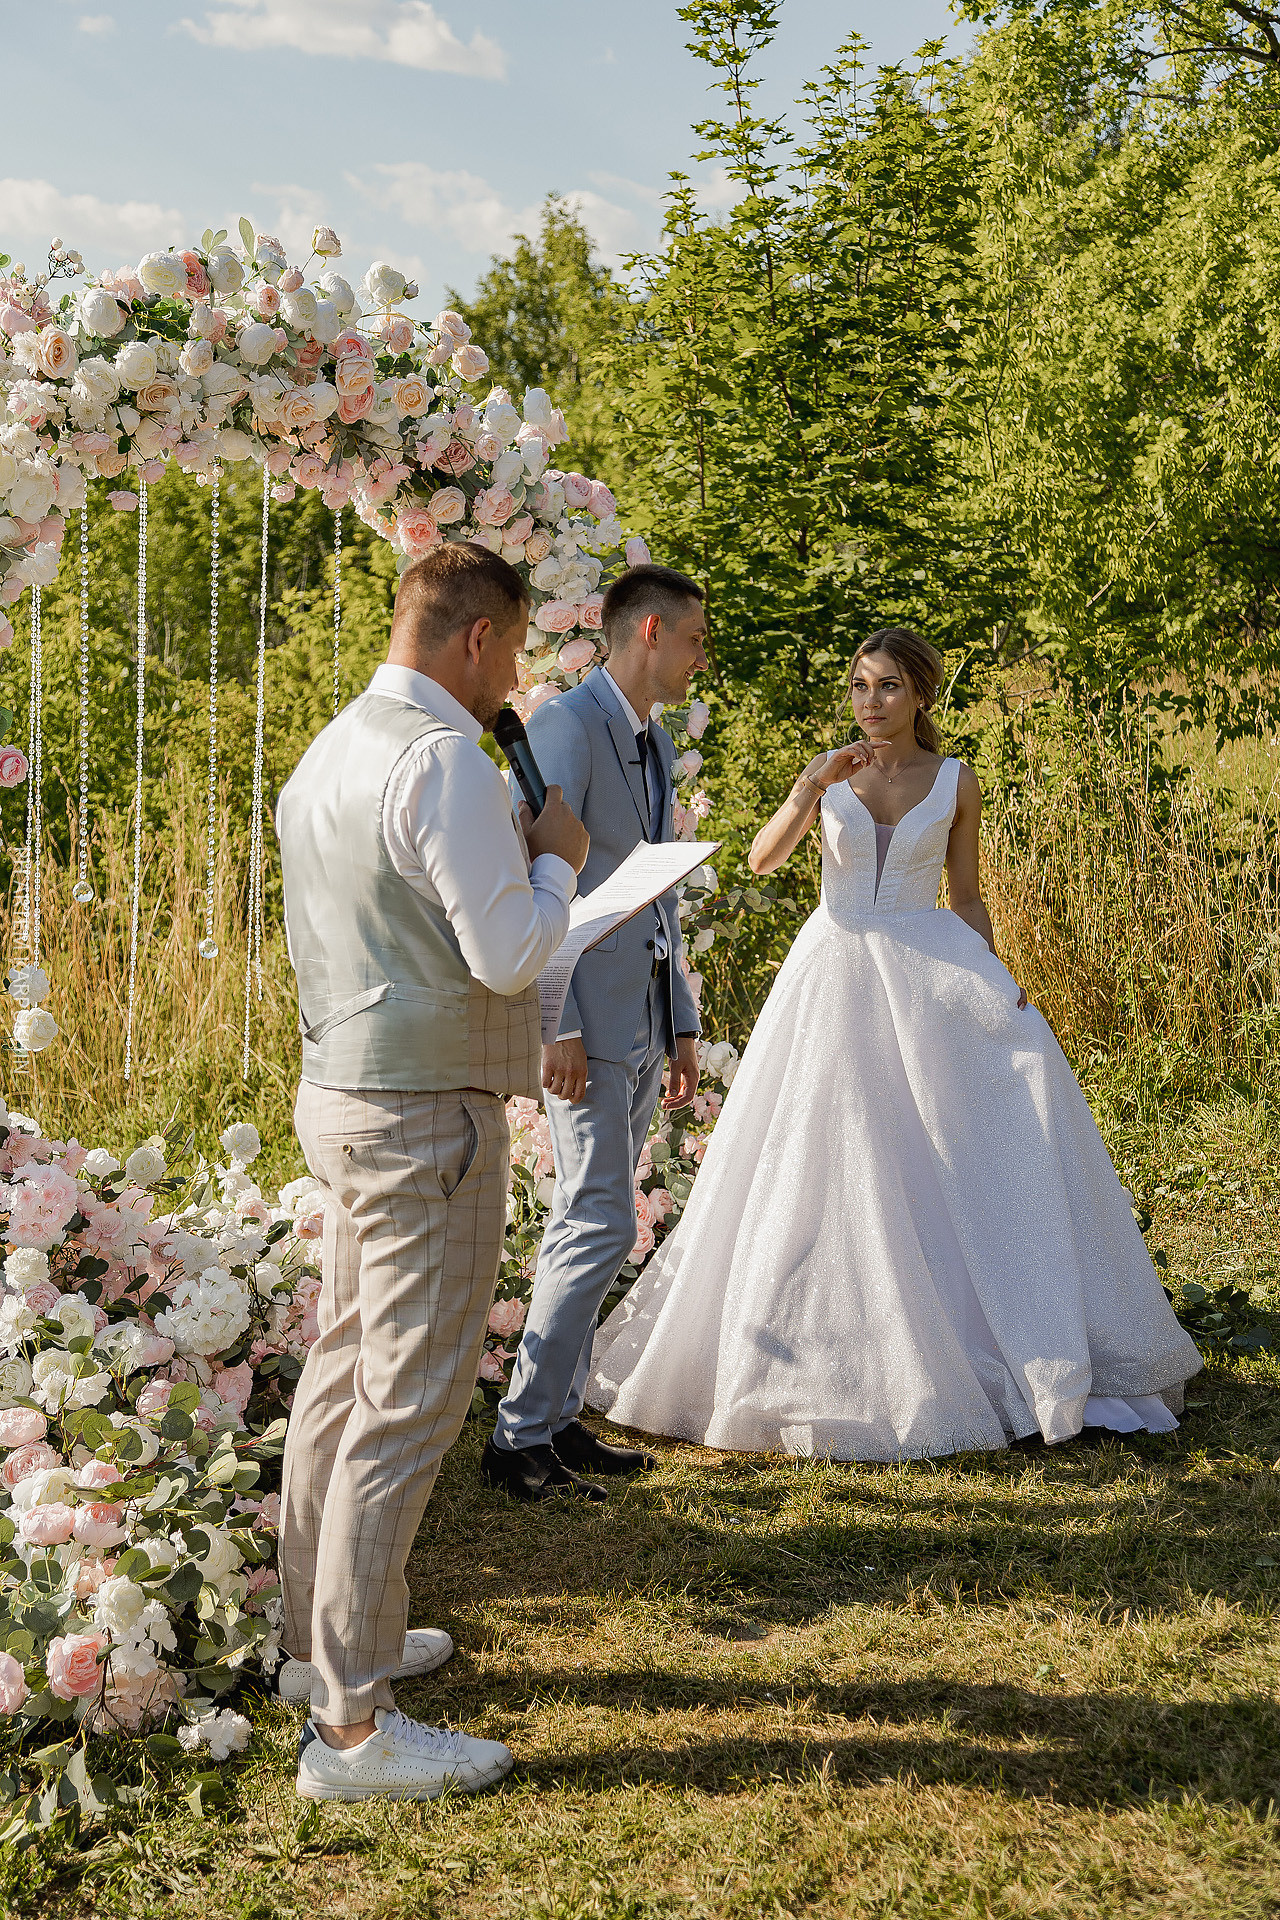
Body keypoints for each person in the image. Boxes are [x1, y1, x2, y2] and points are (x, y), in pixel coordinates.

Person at [587, 628, 1202, 1460]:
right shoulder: (830, 772)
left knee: (944, 1146)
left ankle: (979, 1337)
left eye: (887, 687)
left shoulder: (955, 779)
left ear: (920, 695)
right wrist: (810, 785)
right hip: (833, 969)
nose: (870, 701)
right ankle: (816, 1347)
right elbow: (764, 860)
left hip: (927, 970)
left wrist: (993, 979)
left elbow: (966, 896)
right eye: (859, 685)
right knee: (825, 1149)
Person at [274, 544, 589, 1800]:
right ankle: (353, 1729)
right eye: (512, 651)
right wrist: (556, 858)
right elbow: (508, 952)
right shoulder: (444, 761)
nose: (511, 679)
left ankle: (317, 1647)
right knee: (404, 1404)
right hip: (423, 1117)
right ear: (476, 639)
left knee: (345, 1369)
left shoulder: (329, 750)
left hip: (342, 1092)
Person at [481, 564, 708, 1501]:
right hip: (585, 1019)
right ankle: (517, 1436)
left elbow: (656, 886)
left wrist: (682, 1021)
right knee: (601, 1219)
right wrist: (557, 1019)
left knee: (593, 1221)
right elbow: (538, 870)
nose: (701, 658)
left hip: (643, 1014)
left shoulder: (653, 739)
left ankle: (557, 1418)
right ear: (650, 631)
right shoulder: (567, 727)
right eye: (694, 639)